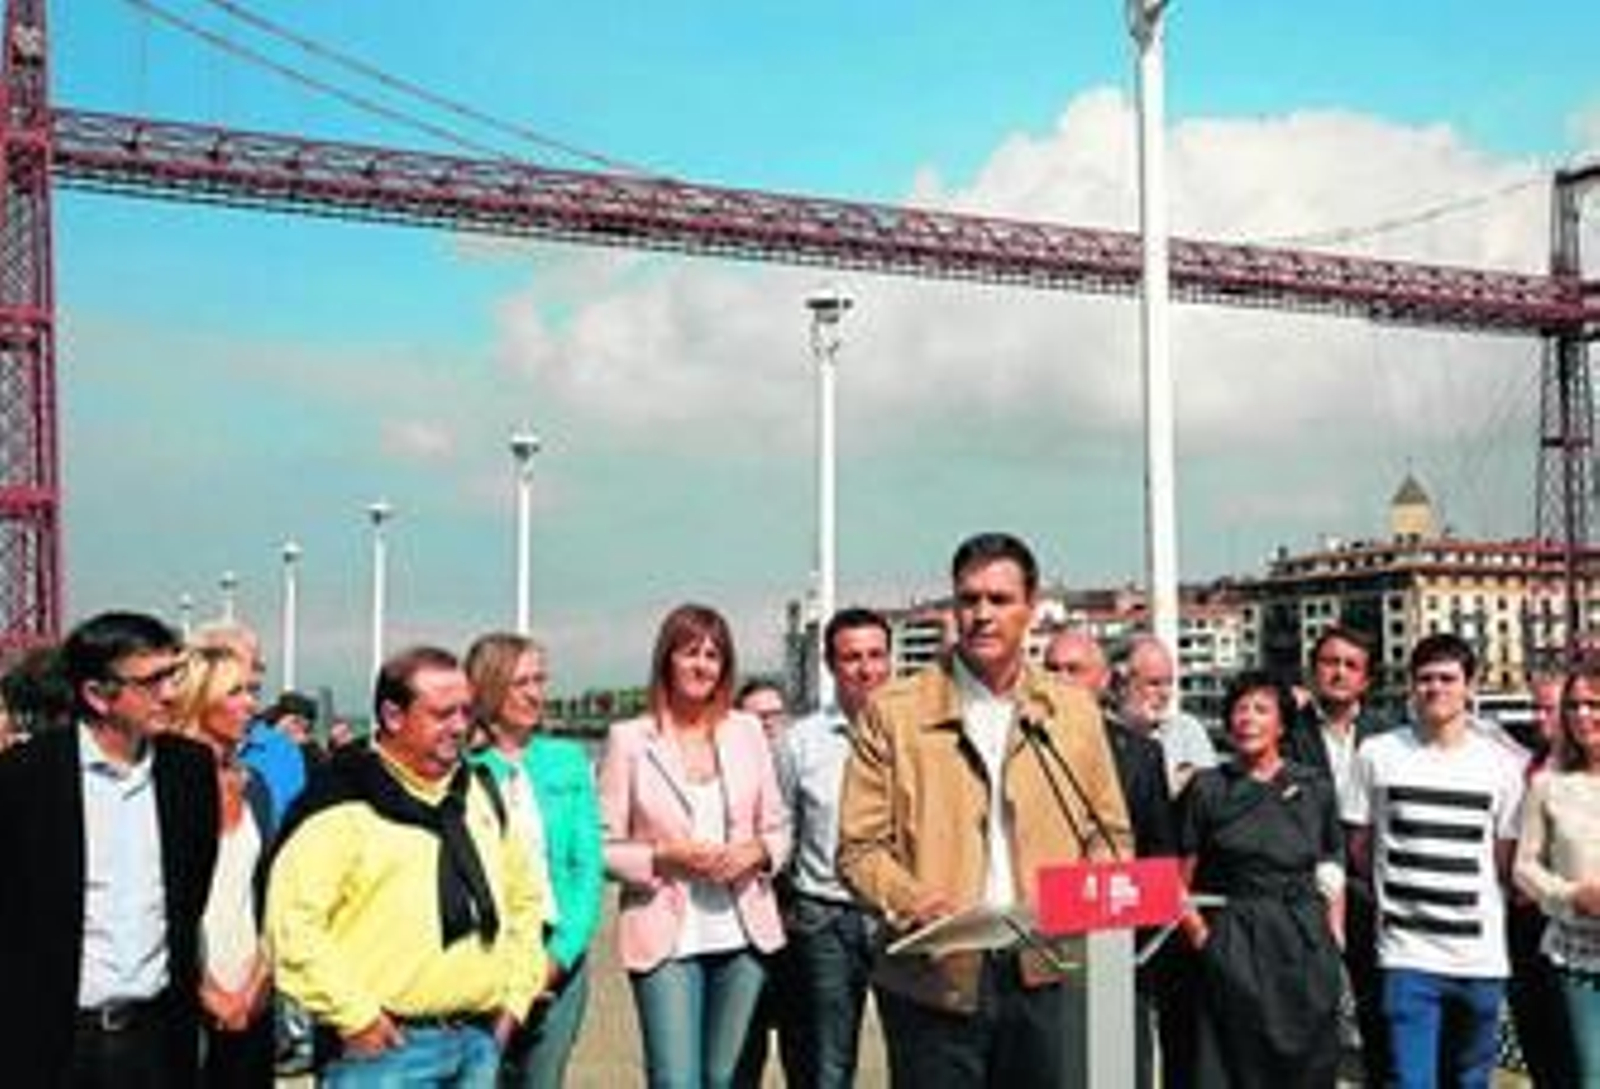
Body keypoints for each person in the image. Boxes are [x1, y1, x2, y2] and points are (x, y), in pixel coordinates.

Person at [838, 533, 1132, 1088]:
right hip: (934, 979)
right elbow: (858, 850)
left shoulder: (1073, 712)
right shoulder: (894, 714)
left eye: (999, 600)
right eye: (968, 599)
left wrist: (1089, 890)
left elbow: (1109, 833)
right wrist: (914, 900)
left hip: (1047, 967)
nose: (981, 615)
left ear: (1031, 606)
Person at [266, 645, 546, 1086]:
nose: (460, 727)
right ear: (393, 716)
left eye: (465, 711)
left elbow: (525, 900)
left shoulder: (480, 792)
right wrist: (357, 1018)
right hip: (383, 1051)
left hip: (479, 1041)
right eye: (442, 713)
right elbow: (291, 925)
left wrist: (515, 999)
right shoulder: (340, 802)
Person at [0, 611, 220, 1088]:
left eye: (173, 674)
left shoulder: (190, 772)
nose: (171, 693)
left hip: (157, 1040)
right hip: (53, 1043)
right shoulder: (24, 778)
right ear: (97, 695)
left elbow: (189, 898)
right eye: (153, 680)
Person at [597, 604, 789, 1089]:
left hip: (744, 934)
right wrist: (662, 857)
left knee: (723, 1076)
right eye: (691, 653)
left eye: (714, 655)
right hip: (665, 936)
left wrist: (756, 852)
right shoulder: (629, 740)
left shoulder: (746, 731)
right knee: (676, 1080)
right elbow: (602, 847)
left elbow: (779, 826)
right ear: (667, 659)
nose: (703, 665)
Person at [1343, 633, 1526, 1089]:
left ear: (1470, 686)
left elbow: (1505, 860)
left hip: (1480, 958)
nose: (1436, 688)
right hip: (1407, 955)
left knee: (1470, 1081)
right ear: (1411, 686)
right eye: (1425, 679)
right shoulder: (1377, 754)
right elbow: (1360, 847)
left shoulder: (1502, 765)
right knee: (1410, 1080)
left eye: (1448, 678)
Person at [1177, 671, 1345, 1087]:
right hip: (1237, 938)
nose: (1248, 719)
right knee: (1235, 1062)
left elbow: (1332, 860)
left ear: (1282, 724)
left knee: (1308, 1064)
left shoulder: (1314, 786)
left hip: (1305, 936)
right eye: (1240, 709)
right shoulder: (1207, 788)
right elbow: (1176, 877)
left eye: (1260, 709)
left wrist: (1334, 931)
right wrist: (1203, 939)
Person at [466, 632, 604, 1089]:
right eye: (519, 681)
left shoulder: (567, 761)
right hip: (484, 958)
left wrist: (559, 956)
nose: (534, 693)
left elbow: (587, 868)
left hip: (557, 955)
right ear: (488, 688)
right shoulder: (463, 768)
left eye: (539, 680)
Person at [1043, 628, 1175, 1089]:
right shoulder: (1016, 749)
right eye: (1052, 669)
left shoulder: (1141, 755)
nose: (1061, 680)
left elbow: (1159, 857)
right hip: (1037, 954)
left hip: (1118, 955)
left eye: (1074, 670)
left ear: (1103, 680)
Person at [775, 607, 895, 1088]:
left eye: (875, 655)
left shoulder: (920, 737)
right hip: (824, 918)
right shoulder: (800, 743)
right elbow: (784, 829)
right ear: (830, 664)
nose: (866, 668)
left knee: (917, 1052)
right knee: (827, 1062)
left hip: (899, 917)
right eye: (852, 658)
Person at [1280, 626, 1393, 1086]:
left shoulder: (1389, 735)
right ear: (1313, 670)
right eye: (1330, 663)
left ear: (1366, 680)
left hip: (1371, 892)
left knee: (1379, 1008)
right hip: (1307, 891)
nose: (1339, 673)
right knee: (1306, 1010)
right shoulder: (1287, 734)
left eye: (1351, 665)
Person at [172, 644, 276, 1088]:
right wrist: (206, 991)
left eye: (251, 691)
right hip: (183, 989)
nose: (251, 703)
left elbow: (268, 891)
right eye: (235, 692)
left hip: (252, 991)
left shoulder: (255, 786)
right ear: (199, 698)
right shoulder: (165, 784)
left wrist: (257, 983)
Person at [1515, 661, 1600, 1086]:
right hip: (1579, 956)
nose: (1582, 715)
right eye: (1574, 705)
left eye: (1594, 703)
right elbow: (1524, 868)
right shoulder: (1546, 784)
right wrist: (1571, 895)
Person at [732, 677, 792, 1089]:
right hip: (744, 925)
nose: (769, 724)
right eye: (758, 716)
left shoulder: (803, 759)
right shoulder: (731, 775)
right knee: (743, 1046)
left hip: (799, 924)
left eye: (776, 715)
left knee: (801, 1043)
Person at [192, 621, 308, 826]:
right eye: (233, 661)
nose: (256, 671)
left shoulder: (281, 750)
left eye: (257, 664)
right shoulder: (159, 756)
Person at [1115, 634, 1219, 797]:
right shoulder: (1103, 736)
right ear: (1123, 685)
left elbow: (1210, 796)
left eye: (1169, 683)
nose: (1165, 693)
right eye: (1154, 683)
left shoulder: (1187, 731)